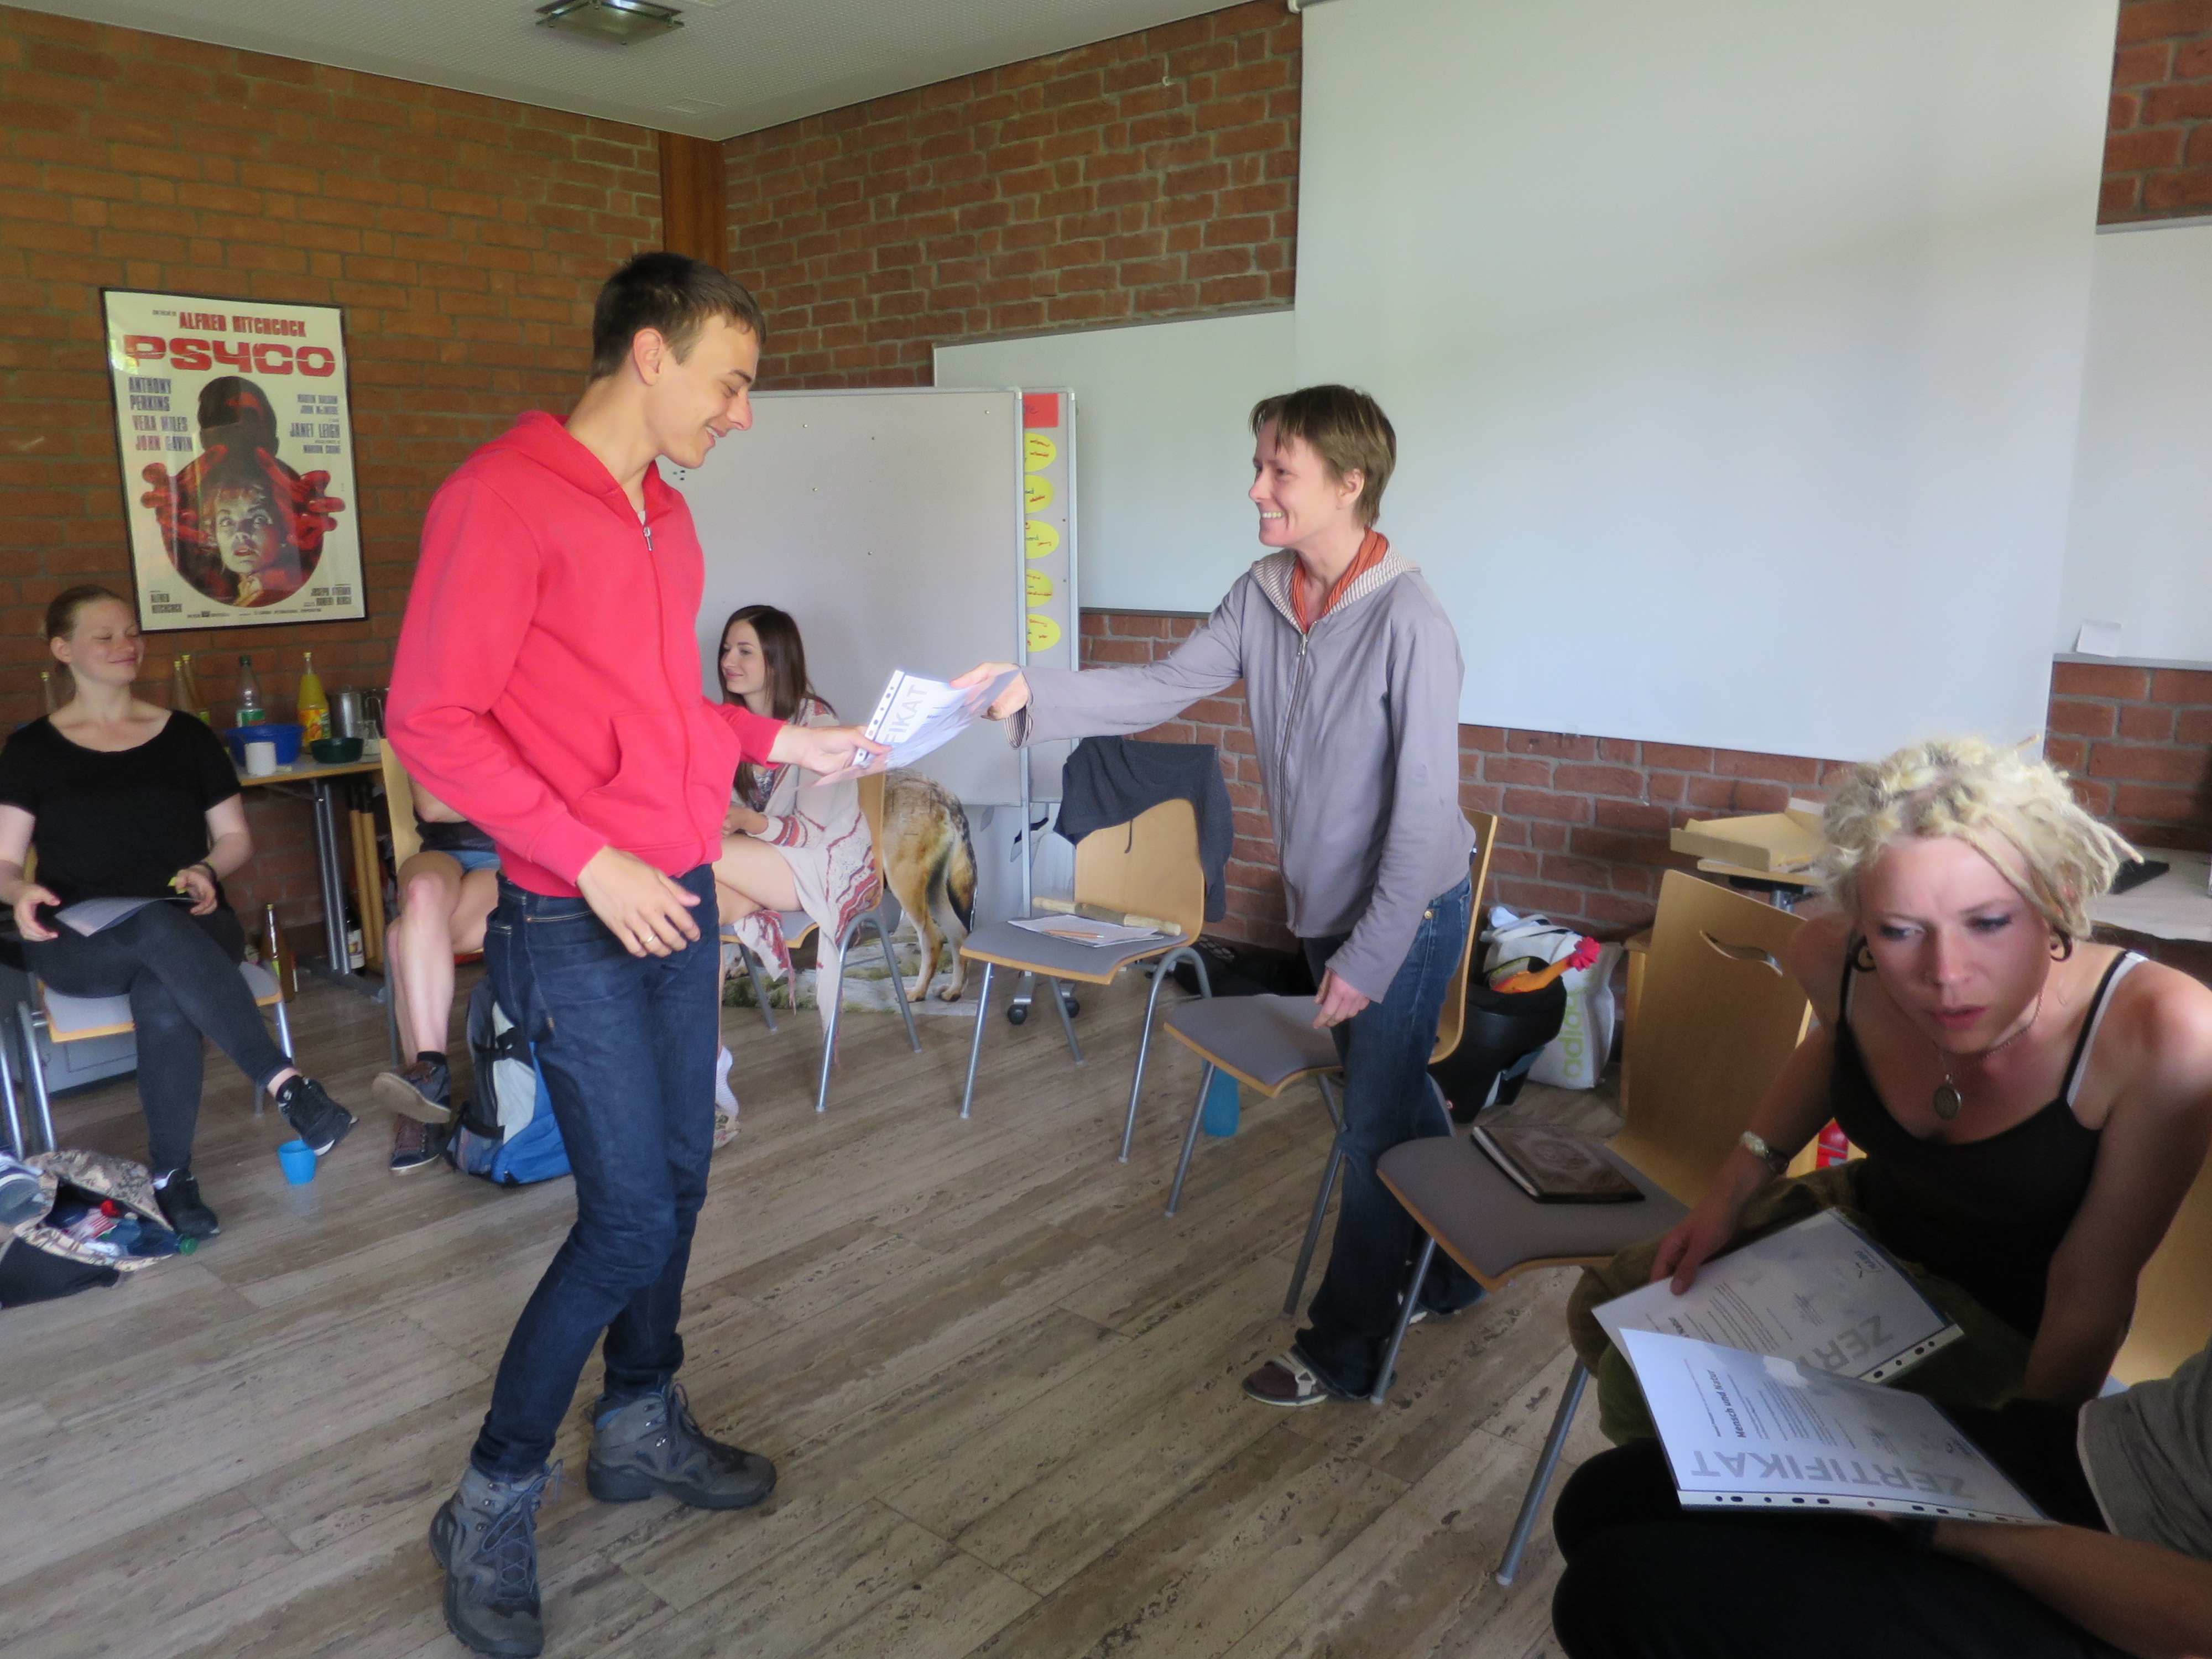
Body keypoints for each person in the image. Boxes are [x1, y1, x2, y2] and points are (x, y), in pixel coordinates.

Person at [388, 251, 880, 1659]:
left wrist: (791, 741)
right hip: (575, 916)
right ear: (651, 355)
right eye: (732, 382)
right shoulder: (498, 498)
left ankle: (640, 1419)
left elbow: (669, 713)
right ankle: (489, 1498)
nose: (742, 412)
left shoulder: (664, 513)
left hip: (676, 899)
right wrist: (586, 855)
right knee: (623, 1221)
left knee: (680, 1179)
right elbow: (431, 717)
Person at [956, 383, 1481, 1407]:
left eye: (1281, 470)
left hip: (1408, 913)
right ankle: (1452, 1271)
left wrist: (1372, 956)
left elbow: (1423, 819)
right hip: (1330, 908)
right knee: (1396, 1100)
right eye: (1259, 465)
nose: (1257, 489)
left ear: (1349, 482)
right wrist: (1033, 689)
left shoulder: (1410, 622)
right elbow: (1163, 684)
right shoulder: (1264, 593)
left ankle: (1346, 1349)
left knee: (1372, 1127)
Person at [1567, 738, 2212, 1441]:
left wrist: (2030, 1455)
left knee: (1648, 1396)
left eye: (1988, 922)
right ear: (1860, 919)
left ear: (2055, 897)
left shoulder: (2161, 1031)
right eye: (1900, 931)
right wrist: (1728, 1196)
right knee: (1603, 1310)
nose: (1946, 974)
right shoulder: (1837, 960)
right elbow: (1834, 1044)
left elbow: (2092, 1289)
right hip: (1865, 1230)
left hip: (2012, 1314)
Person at [0, 585, 357, 1240]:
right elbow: (3, 861)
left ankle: (171, 1176)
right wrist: (18, 891)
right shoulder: (31, 752)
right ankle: (287, 1085)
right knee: (151, 925)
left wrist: (208, 869)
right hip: (81, 937)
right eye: (105, 636)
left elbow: (235, 838)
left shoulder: (187, 737)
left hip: (191, 916)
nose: (126, 645)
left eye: (132, 633)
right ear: (62, 650)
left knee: (163, 982)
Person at [1550, 1332, 2212, 1659]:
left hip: (2145, 1594)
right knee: (1608, 1494)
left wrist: (1950, 1520)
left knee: (1620, 1593)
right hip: (2088, 1446)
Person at [712, 607, 878, 1073]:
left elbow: (812, 833)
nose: (729, 661)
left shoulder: (817, 723)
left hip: (824, 864)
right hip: (762, 862)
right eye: (726, 649)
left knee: (693, 855)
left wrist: (746, 821)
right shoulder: (727, 724)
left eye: (745, 651)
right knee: (695, 910)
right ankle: (708, 1060)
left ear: (777, 659)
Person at [373, 777, 501, 1173]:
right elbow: (432, 808)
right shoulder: (434, 732)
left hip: (506, 856)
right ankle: (431, 1072)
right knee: (423, 891)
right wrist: (512, 794)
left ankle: (422, 1099)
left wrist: (462, 796)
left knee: (401, 939)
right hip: (441, 853)